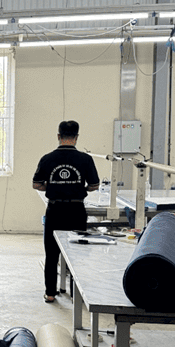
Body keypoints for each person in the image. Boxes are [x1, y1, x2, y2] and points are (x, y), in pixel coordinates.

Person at [32, 120, 99, 303]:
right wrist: (80, 188)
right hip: (76, 210)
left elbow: (36, 184)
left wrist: (52, 186)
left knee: (51, 254)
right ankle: (76, 294)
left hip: (55, 210)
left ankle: (50, 293)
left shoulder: (47, 159)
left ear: (58, 136)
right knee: (77, 254)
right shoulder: (85, 159)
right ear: (76, 137)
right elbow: (94, 185)